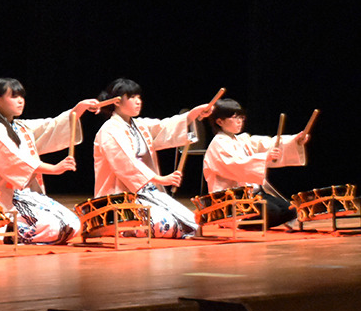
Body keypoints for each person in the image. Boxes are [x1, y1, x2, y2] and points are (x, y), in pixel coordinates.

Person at [0, 78, 102, 244]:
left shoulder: (20, 127)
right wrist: (54, 168)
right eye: (14, 96)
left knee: (72, 224)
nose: (20, 101)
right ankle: (5, 232)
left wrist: (79, 109)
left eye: (22, 97)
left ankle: (13, 231)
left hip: (22, 195)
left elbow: (50, 126)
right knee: (54, 227)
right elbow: (14, 160)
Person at [93, 78, 214, 239]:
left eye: (139, 97)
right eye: (132, 97)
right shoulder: (109, 130)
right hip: (120, 194)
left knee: (192, 223)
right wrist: (160, 179)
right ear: (116, 101)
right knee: (166, 223)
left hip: (146, 190)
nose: (138, 102)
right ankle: (124, 226)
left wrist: (193, 114)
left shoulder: (139, 125)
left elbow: (164, 127)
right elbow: (126, 164)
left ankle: (133, 226)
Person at [202, 98, 309, 229]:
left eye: (241, 117)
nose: (239, 121)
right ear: (220, 121)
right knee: (272, 212)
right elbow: (235, 166)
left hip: (253, 196)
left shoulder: (241, 140)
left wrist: (296, 140)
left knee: (291, 210)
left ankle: (255, 220)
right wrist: (265, 157)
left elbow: (267, 144)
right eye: (235, 117)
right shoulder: (218, 144)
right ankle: (235, 222)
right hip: (232, 200)